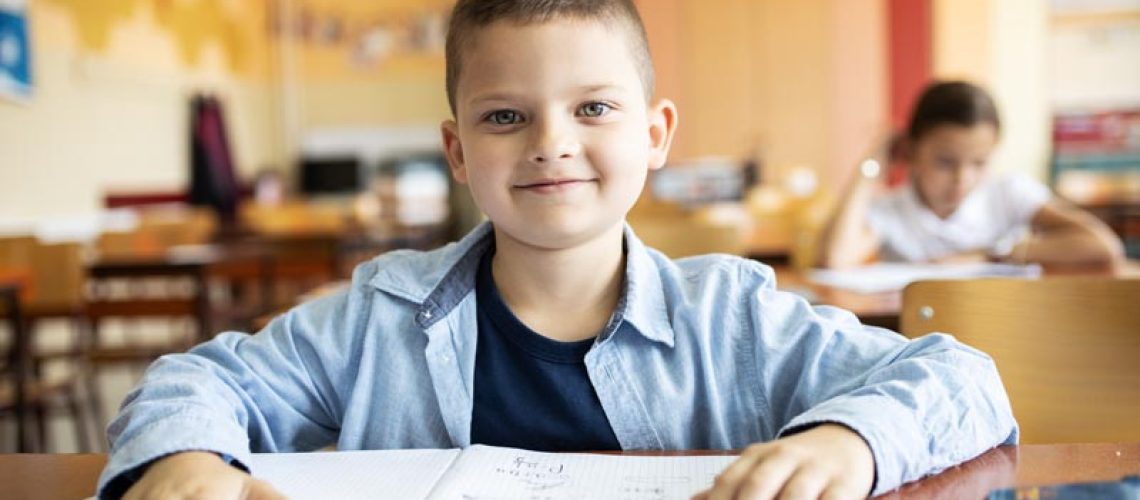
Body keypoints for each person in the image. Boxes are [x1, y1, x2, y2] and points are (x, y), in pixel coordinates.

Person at [99, 2, 1018, 499]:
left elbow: (964, 379)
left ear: (657, 132)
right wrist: (185, 461)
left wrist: (850, 441)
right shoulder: (378, 316)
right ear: (458, 150)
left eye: (593, 108)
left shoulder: (730, 316)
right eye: (505, 116)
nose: (552, 143)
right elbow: (194, 382)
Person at [817, 81, 1124, 269]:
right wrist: (872, 160)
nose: (962, 178)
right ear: (910, 151)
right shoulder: (891, 211)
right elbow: (834, 258)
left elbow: (1102, 246)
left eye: (979, 163)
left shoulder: (1007, 194)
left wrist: (991, 255)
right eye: (945, 162)